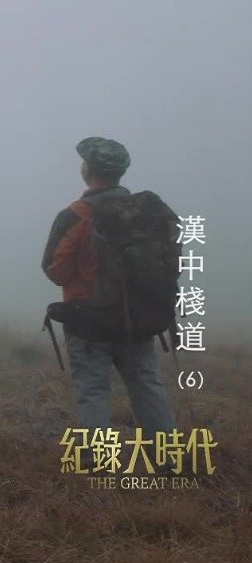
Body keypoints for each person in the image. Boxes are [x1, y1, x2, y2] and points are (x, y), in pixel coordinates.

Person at [42, 137, 177, 438]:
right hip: (138, 317)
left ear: (88, 169)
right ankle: (171, 462)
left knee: (94, 391)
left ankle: (102, 465)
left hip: (90, 321)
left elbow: (56, 271)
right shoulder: (146, 211)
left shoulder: (76, 215)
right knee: (147, 385)